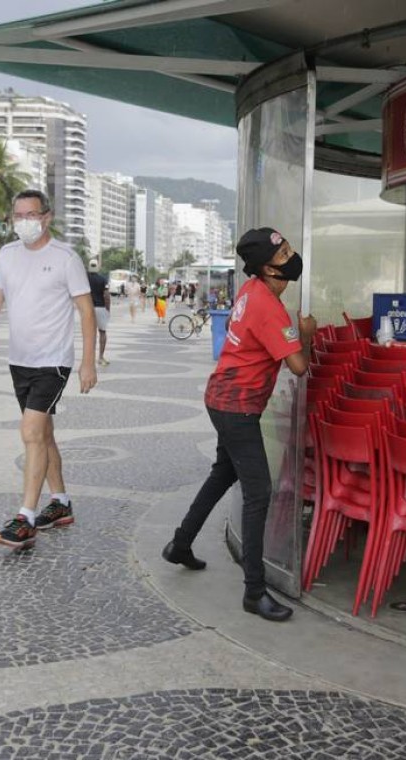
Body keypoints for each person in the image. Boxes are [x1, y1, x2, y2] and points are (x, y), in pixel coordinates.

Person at [161, 227, 317, 623]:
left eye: (288, 248)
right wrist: (307, 335)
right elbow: (299, 367)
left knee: (222, 474)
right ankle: (254, 591)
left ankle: (180, 544)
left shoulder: (251, 290)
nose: (292, 254)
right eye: (284, 253)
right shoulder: (270, 308)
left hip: (222, 399)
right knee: (258, 493)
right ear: (266, 268)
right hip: (238, 408)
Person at [0, 189, 97, 550]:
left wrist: (87, 362)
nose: (24, 222)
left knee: (30, 431)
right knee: (43, 434)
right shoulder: (7, 253)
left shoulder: (65, 257)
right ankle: (60, 503)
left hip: (53, 361)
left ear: (46, 217)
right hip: (20, 360)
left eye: (31, 215)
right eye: (18, 215)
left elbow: (86, 311)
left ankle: (25, 517)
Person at [86, 260, 111, 366]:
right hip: (100, 308)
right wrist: (108, 309)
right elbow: (106, 295)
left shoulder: (84, 279)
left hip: (88, 308)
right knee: (102, 332)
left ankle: (88, 358)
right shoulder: (102, 279)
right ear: (98, 267)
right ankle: (100, 357)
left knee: (89, 334)